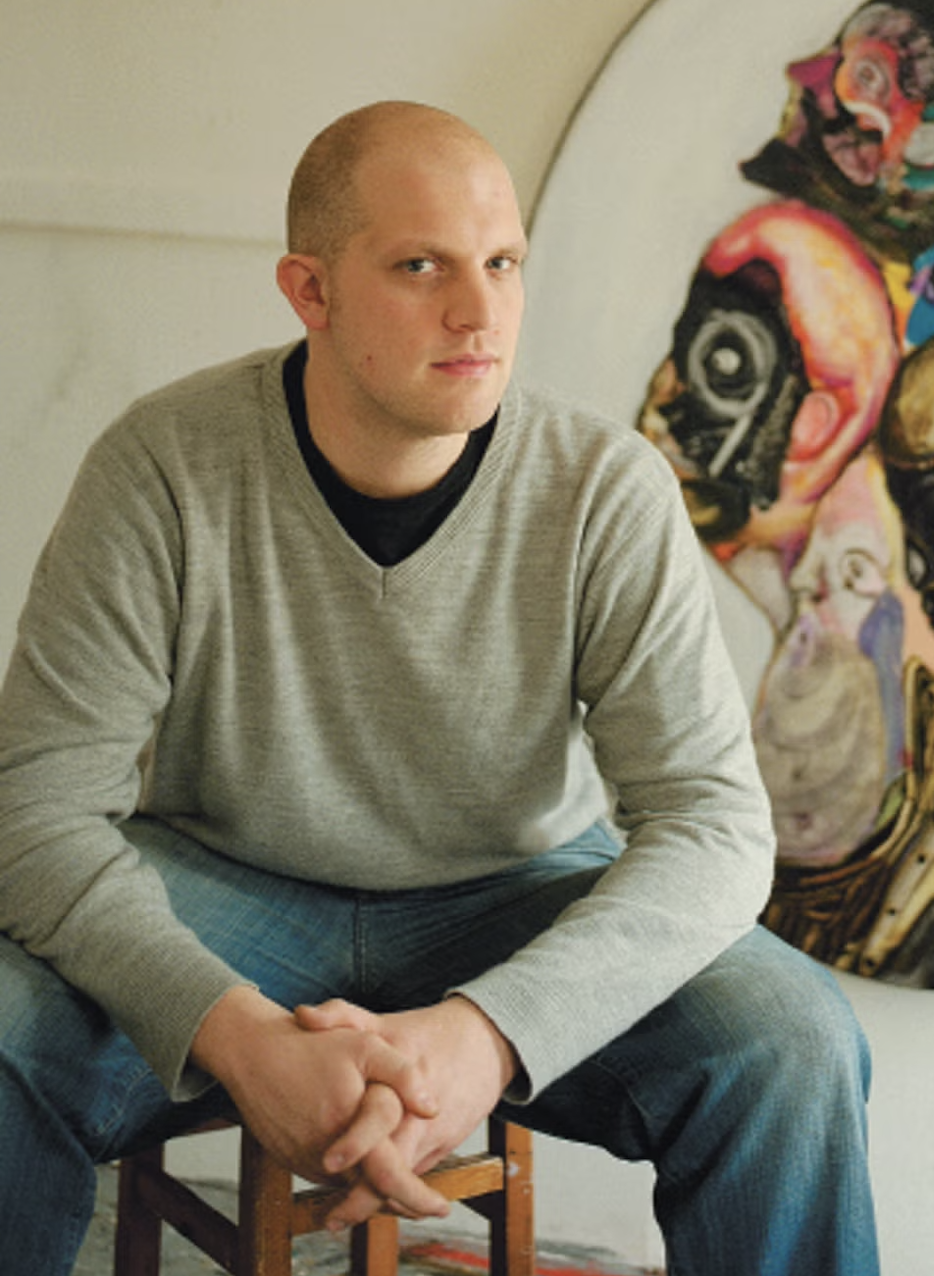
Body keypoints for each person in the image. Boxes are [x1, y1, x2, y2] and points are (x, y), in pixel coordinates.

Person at [0, 101, 879, 1274]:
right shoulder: (163, 467)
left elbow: (714, 828)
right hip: (227, 884)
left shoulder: (603, 489)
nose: (481, 313)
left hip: (513, 889)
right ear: (309, 292)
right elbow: (35, 813)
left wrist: (485, 1038)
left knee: (793, 1041)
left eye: (503, 263)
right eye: (422, 267)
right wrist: (244, 1040)